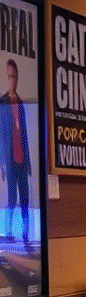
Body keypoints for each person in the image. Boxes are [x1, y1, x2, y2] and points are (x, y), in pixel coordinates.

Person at [0, 57, 31, 243]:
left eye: (15, 76)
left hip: (22, 159)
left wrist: (28, 162)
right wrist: (2, 161)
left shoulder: (20, 102)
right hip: (9, 159)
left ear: (17, 78)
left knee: (25, 199)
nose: (12, 80)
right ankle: (8, 231)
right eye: (9, 76)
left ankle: (26, 232)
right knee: (12, 198)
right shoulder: (2, 102)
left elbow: (25, 133)